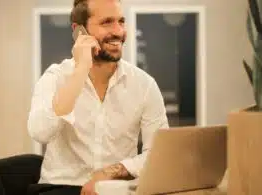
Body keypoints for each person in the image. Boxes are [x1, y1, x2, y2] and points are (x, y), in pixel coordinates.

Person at [27, 0, 169, 194]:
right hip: (60, 188)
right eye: (107, 22)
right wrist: (81, 69)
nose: (118, 31)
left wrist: (109, 173)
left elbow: (158, 155)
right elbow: (40, 132)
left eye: (121, 21)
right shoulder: (55, 77)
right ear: (79, 31)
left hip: (115, 188)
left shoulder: (144, 85)